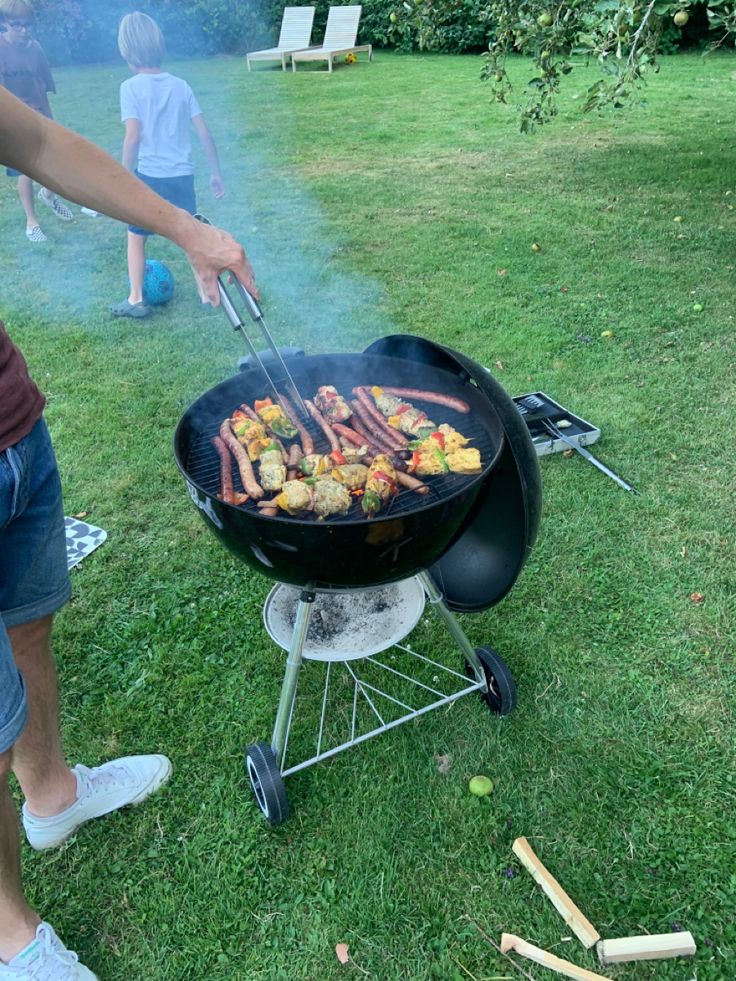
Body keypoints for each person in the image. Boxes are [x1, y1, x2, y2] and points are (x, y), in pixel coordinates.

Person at [0, 84, 257, 980]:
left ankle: (53, 795)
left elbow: (33, 137)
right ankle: (8, 936)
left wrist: (187, 227)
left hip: (9, 424)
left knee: (29, 622)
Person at [110, 11, 226, 319]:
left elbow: (132, 137)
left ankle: (136, 299)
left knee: (136, 236)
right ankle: (206, 294)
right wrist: (215, 173)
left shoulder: (130, 87)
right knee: (189, 236)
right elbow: (204, 132)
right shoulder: (180, 85)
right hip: (182, 176)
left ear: (127, 50)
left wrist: (123, 178)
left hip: (149, 178)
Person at [0, 0, 74, 242]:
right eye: (17, 25)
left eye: (27, 25)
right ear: (4, 24)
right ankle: (31, 222)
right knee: (26, 170)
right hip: (14, 120)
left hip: (40, 116)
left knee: (59, 161)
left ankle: (49, 195)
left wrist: (49, 120)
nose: (23, 30)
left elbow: (44, 86)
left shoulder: (36, 49)